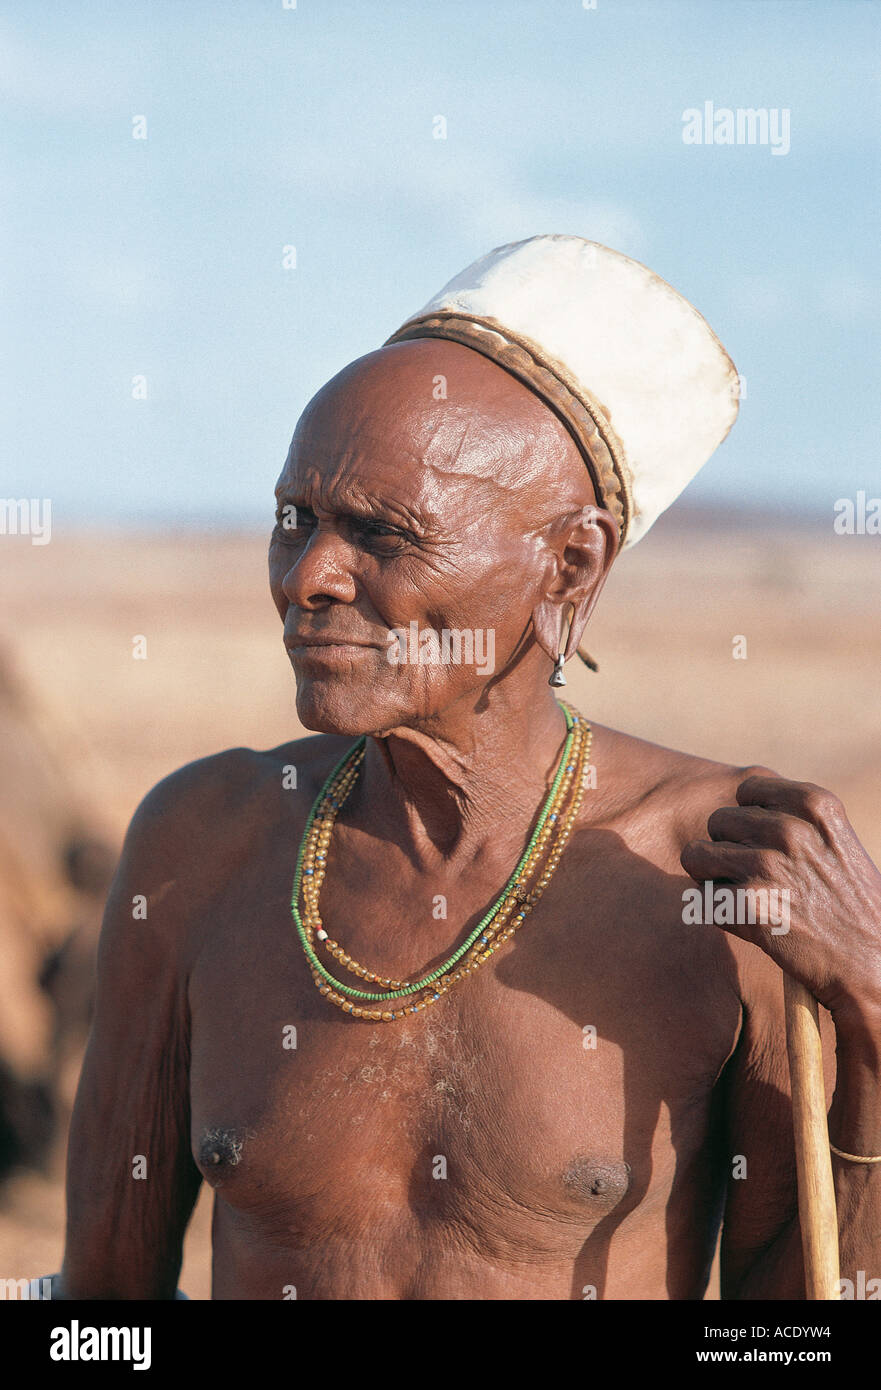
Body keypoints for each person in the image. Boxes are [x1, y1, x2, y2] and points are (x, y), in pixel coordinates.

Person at [60, 238, 881, 1300]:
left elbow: (800, 1329)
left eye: (382, 535)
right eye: (292, 520)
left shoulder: (728, 874)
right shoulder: (199, 844)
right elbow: (99, 1310)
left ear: (568, 564)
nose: (308, 576)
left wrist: (870, 1016)